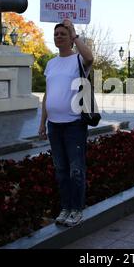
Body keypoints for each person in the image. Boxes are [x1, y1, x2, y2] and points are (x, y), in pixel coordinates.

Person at [38, 19, 94, 227]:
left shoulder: (79, 60)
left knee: (76, 169)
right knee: (60, 169)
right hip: (54, 125)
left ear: (70, 38)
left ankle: (77, 209)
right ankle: (65, 208)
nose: (58, 37)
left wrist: (75, 33)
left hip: (74, 125)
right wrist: (42, 123)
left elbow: (90, 57)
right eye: (56, 34)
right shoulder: (51, 63)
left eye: (63, 34)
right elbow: (47, 94)